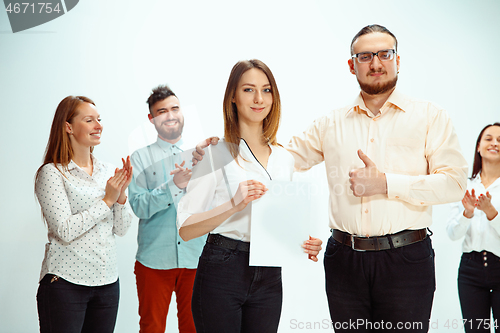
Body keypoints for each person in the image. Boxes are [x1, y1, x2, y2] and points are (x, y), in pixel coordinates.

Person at [193, 25, 468, 332]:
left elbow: (455, 184)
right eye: (365, 56)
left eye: (384, 54)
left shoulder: (430, 116)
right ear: (352, 65)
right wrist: (221, 152)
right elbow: (275, 159)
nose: (376, 63)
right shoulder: (330, 124)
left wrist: (386, 183)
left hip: (406, 260)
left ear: (398, 60)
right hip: (344, 262)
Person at [177, 59, 323, 333]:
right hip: (222, 269)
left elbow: (279, 221)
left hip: (269, 274)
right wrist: (234, 204)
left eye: (266, 90)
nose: (259, 99)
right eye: (248, 90)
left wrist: (304, 241)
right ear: (232, 96)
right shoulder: (214, 154)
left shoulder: (284, 158)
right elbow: (185, 229)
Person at [34, 95, 133, 333]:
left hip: (107, 283)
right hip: (65, 284)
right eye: (89, 120)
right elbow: (65, 230)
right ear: (68, 127)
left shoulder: (109, 171)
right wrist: (107, 199)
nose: (98, 126)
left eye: (99, 119)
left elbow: (121, 229)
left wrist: (120, 198)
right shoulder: (52, 173)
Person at [128, 85, 205, 333]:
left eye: (175, 108)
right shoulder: (139, 158)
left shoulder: (202, 155)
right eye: (162, 111)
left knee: (194, 328)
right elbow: (139, 206)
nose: (170, 115)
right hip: (154, 262)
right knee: (151, 328)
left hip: (197, 259)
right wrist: (173, 185)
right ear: (151, 119)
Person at [447, 123, 500, 333]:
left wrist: (491, 212)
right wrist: (467, 213)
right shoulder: (464, 186)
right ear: (479, 146)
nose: (494, 143)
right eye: (489, 138)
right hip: (470, 269)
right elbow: (452, 234)